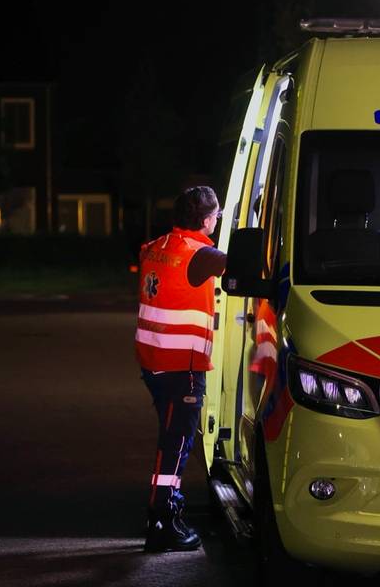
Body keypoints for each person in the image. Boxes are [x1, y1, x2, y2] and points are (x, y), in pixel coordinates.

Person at [135, 186, 227, 552]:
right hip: (181, 368)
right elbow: (251, 265)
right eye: (217, 216)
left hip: (153, 362)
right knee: (176, 446)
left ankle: (164, 513)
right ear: (206, 221)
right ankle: (162, 521)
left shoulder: (155, 247)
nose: (217, 221)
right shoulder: (201, 255)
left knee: (171, 441)